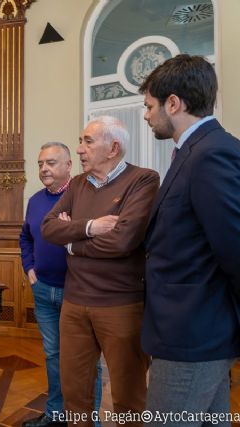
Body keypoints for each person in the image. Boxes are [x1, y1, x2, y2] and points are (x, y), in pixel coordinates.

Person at [139, 54, 240, 423]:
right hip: (193, 326)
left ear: (174, 103)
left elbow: (234, 247)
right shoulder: (196, 151)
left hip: (194, 332)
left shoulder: (211, 154)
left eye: (149, 106)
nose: (147, 115)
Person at [41, 116, 159, 427]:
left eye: (87, 142)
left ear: (113, 148)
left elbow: (123, 241)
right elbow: (49, 228)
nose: (79, 149)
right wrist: (91, 227)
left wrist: (72, 242)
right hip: (74, 303)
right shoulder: (78, 184)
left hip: (122, 304)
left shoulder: (144, 180)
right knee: (75, 395)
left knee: (128, 398)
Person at [19, 142, 102, 427]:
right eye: (41, 163)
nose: (44, 168)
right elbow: (26, 238)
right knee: (53, 356)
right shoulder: (35, 201)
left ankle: (89, 420)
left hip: (76, 292)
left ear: (69, 165)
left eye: (52, 162)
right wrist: (29, 269)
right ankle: (56, 415)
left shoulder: (85, 197)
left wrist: (71, 229)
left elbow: (98, 239)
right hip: (43, 291)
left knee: (86, 360)